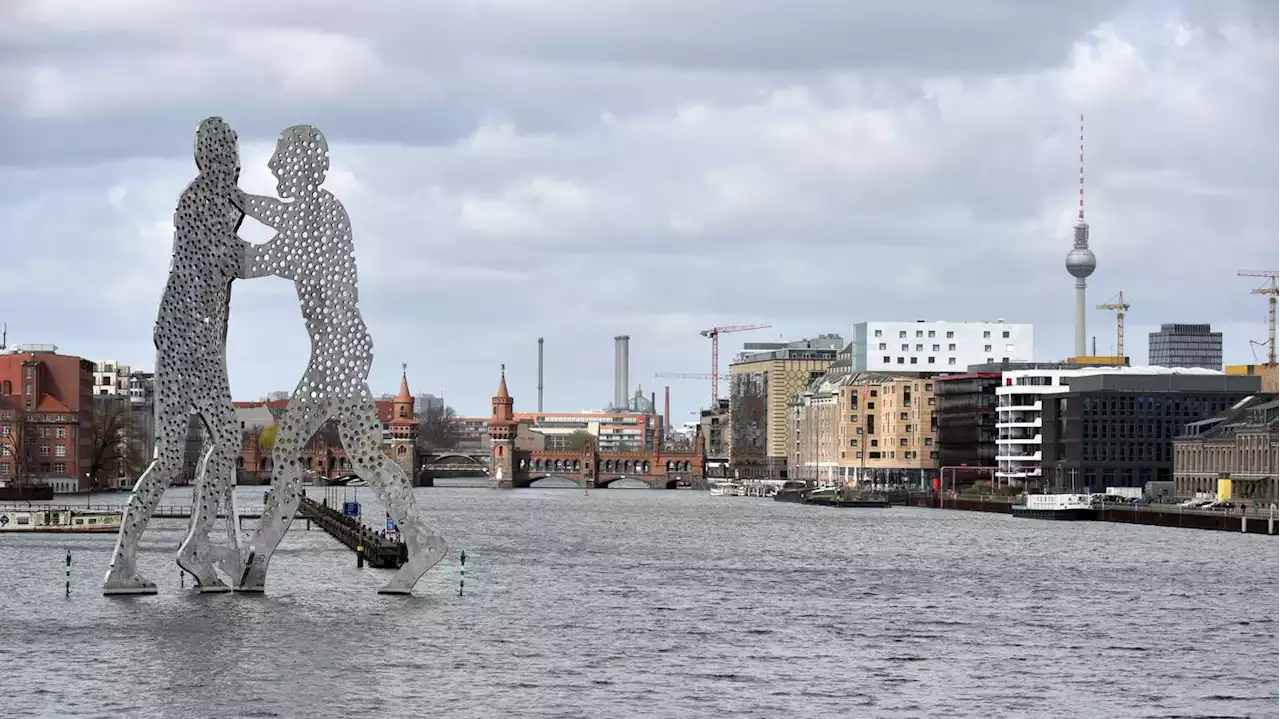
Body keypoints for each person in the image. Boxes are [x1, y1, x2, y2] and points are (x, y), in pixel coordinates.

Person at [233, 124, 447, 594]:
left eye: (280, 160)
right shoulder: (319, 211)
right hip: (342, 351)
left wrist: (223, 241)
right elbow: (279, 217)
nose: (272, 167)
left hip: (337, 354)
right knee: (368, 458)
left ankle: (256, 566)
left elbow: (262, 257)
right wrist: (240, 199)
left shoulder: (321, 217)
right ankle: (422, 540)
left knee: (288, 450)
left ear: (304, 165)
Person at [103, 117, 245, 595]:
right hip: (192, 345)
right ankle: (190, 548)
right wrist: (289, 251)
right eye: (230, 153)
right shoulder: (203, 201)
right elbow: (232, 262)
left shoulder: (214, 200)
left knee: (184, 453)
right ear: (212, 157)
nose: (238, 163)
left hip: (187, 341)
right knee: (221, 439)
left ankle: (132, 561)